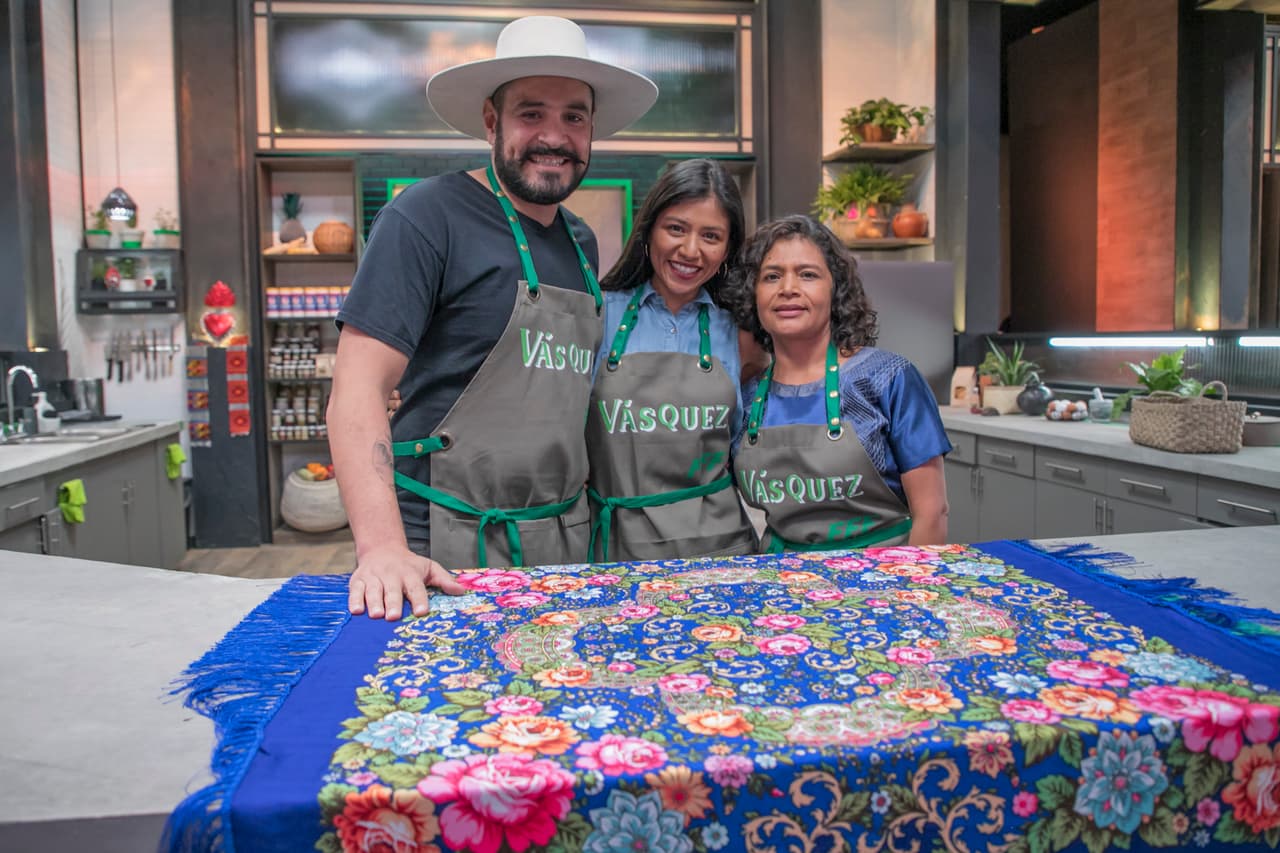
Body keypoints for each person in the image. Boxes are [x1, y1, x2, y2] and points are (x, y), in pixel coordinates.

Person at [327, 16, 658, 620]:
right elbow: (355, 388)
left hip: (563, 542)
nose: (554, 136)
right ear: (491, 121)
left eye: (574, 117)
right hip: (444, 543)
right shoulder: (426, 216)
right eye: (532, 113)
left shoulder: (581, 241)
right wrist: (381, 548)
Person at [722, 215, 950, 551]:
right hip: (781, 580)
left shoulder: (887, 379)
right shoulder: (746, 398)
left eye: (808, 275)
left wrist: (907, 592)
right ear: (753, 296)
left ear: (835, 290)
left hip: (883, 579)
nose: (788, 289)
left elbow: (932, 513)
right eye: (771, 276)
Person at [586, 159, 759, 562]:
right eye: (676, 229)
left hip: (722, 550)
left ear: (729, 247)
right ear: (649, 231)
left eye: (711, 235)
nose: (691, 250)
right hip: (617, 548)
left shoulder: (743, 331)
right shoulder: (597, 315)